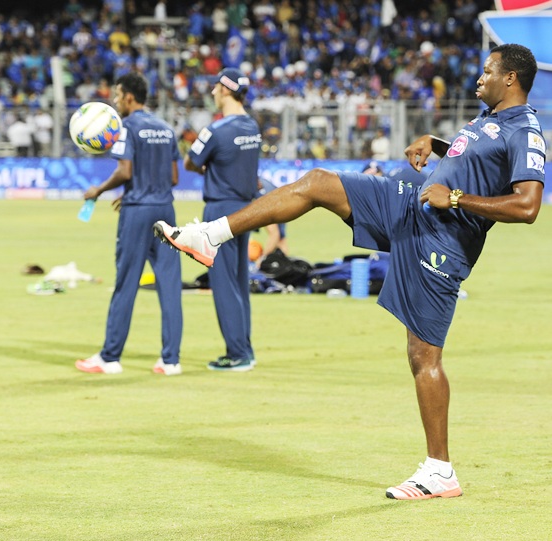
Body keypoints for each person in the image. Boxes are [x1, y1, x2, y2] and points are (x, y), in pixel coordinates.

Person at [154, 44, 545, 498]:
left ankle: (440, 470)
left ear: (511, 79)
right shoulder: (488, 117)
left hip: (440, 243)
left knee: (424, 357)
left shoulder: (526, 130)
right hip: (410, 203)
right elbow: (473, 164)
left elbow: (527, 205)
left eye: (488, 71)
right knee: (318, 182)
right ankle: (212, 236)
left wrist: (454, 200)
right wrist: (438, 146)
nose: (479, 78)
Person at [75, 72, 183, 376]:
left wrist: (98, 190)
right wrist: (144, 188)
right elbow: (174, 178)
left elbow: (124, 170)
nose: (115, 101)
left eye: (118, 95)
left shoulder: (125, 127)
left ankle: (110, 357)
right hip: (165, 209)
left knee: (126, 283)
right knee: (170, 285)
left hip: (138, 213)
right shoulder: (165, 128)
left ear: (130, 97)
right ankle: (171, 360)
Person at [183, 67, 261, 372]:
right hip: (246, 209)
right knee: (239, 282)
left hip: (219, 212)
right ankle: (245, 348)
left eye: (216, 88)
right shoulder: (252, 127)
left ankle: (237, 354)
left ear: (225, 90)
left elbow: (191, 161)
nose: (213, 93)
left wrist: (211, 170)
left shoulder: (216, 130)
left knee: (224, 284)